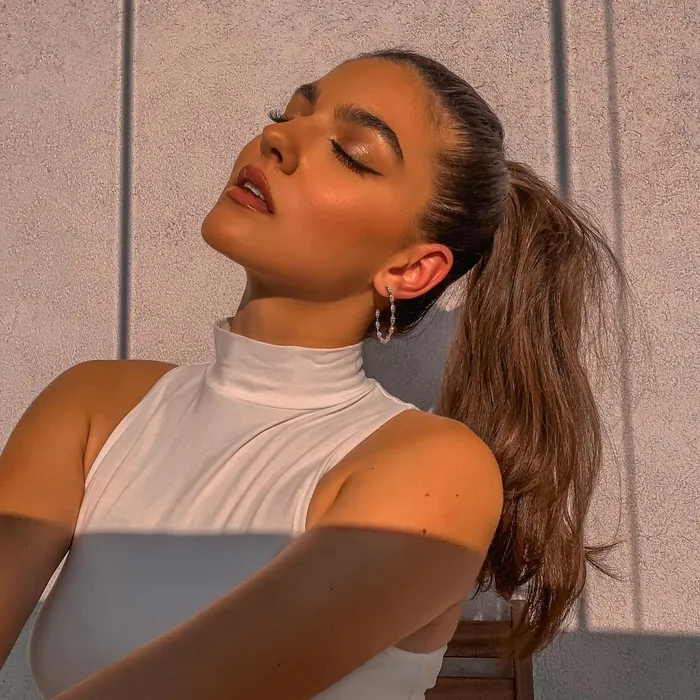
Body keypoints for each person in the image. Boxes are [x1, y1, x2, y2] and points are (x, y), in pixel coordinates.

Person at [0, 48, 629, 699]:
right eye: (288, 113)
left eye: (352, 154)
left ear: (411, 269)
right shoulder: (91, 407)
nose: (277, 138)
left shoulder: (437, 473)